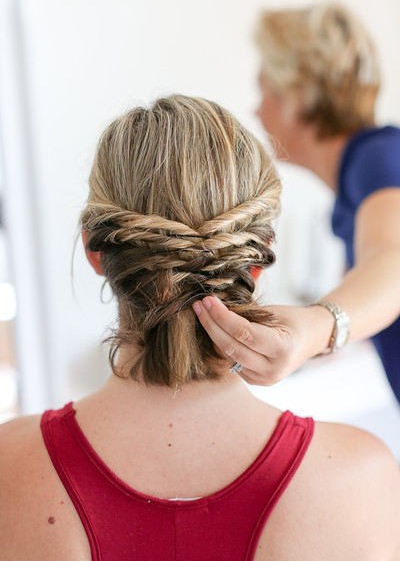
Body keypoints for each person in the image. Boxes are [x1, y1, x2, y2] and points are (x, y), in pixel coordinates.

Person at [0, 95, 399, 560]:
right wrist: (323, 326)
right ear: (257, 259)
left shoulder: (11, 469)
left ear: (94, 250)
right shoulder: (359, 477)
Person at [193, 2, 400, 403]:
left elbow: (393, 260)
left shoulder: (378, 160)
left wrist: (315, 327)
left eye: (264, 89)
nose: (256, 109)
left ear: (298, 96)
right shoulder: (359, 179)